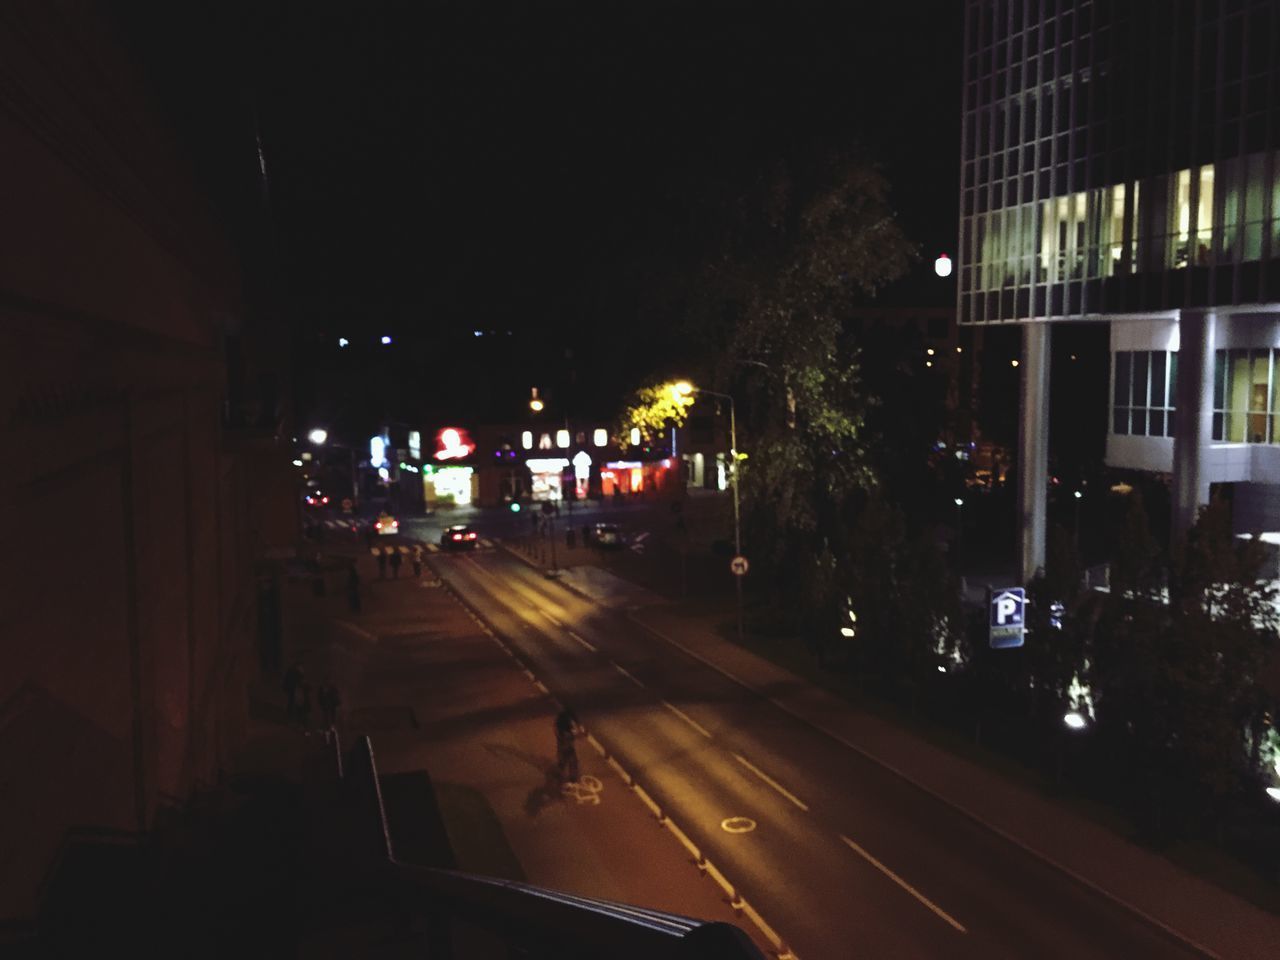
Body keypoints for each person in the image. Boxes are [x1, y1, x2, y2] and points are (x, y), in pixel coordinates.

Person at [554, 708, 580, 783]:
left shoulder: (561, 717)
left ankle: (561, 775)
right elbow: (575, 731)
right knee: (571, 760)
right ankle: (571, 777)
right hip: (565, 743)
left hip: (564, 742)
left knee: (564, 760)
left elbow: (556, 728)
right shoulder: (569, 720)